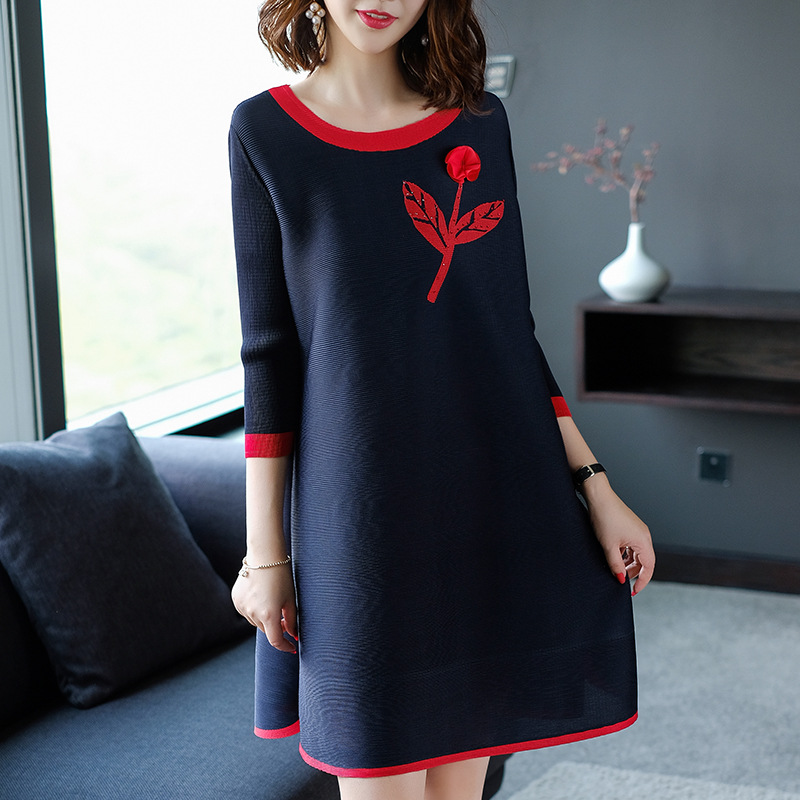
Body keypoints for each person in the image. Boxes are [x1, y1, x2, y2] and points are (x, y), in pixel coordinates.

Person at [229, 1, 655, 798]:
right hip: (357, 526)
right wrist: (265, 557)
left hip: (485, 497)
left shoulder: (479, 124)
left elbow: (506, 329)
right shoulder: (265, 133)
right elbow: (269, 359)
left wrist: (597, 487)